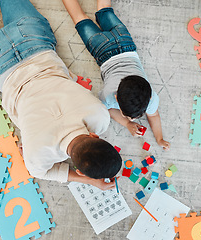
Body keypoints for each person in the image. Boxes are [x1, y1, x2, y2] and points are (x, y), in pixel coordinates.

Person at [0, 0, 122, 190]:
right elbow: (42, 173)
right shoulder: (38, 156)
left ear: (96, 136)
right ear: (79, 170)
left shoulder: (100, 116)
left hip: (32, 39)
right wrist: (88, 180)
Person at [62, 0, 171, 150]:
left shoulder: (152, 98)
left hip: (124, 41)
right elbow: (107, 109)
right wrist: (127, 124)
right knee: (79, 18)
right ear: (115, 98)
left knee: (105, 10)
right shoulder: (107, 96)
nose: (131, 119)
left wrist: (159, 138)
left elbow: (153, 116)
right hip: (101, 49)